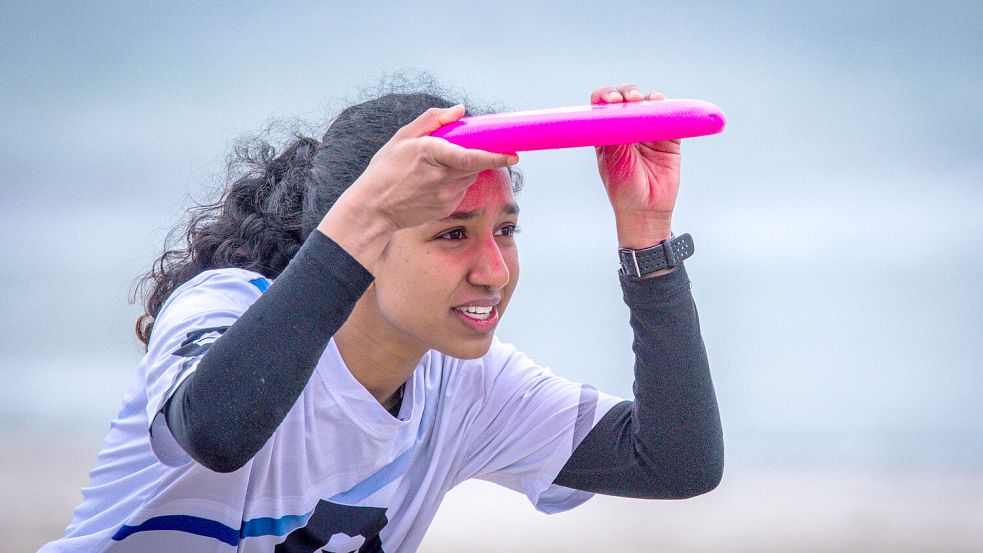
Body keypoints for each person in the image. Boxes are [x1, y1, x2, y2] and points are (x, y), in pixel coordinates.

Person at [41, 79, 723, 552]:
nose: (493, 269)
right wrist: (366, 207)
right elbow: (216, 432)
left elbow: (674, 461)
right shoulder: (224, 307)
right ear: (363, 232)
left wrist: (646, 235)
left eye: (505, 229)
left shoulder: (461, 384)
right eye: (452, 233)